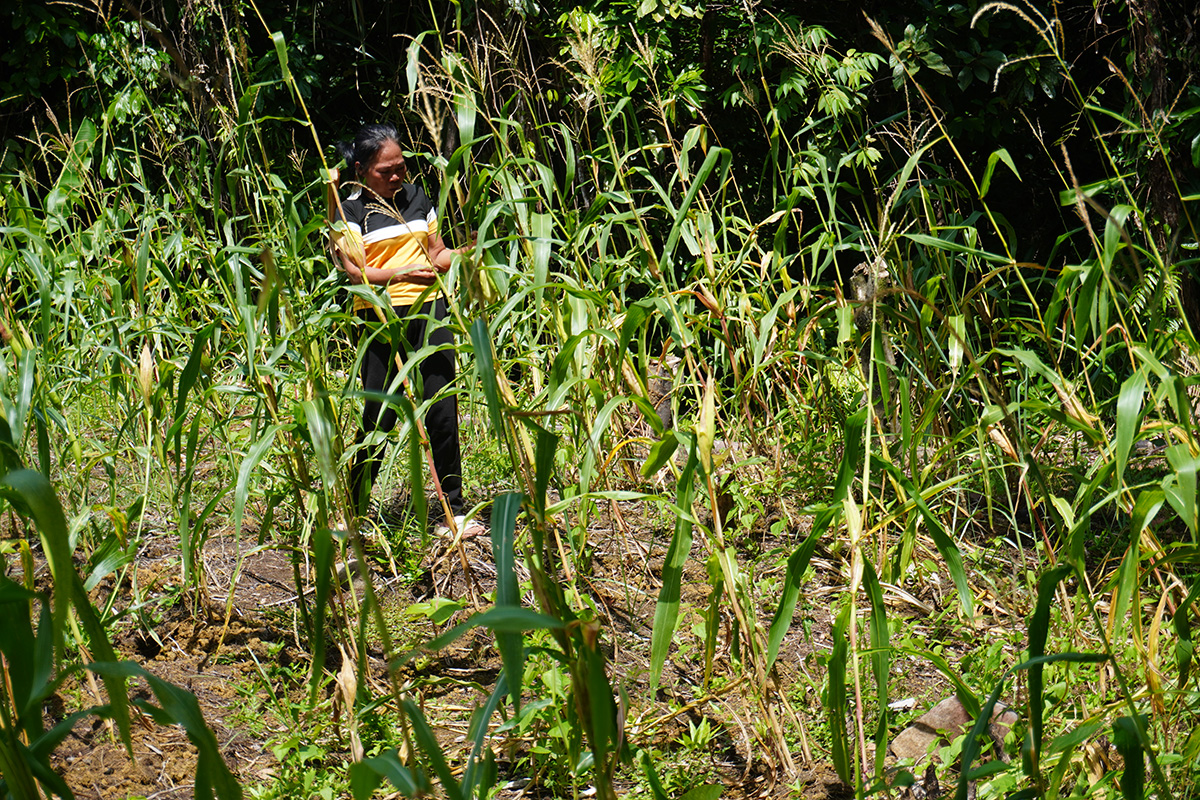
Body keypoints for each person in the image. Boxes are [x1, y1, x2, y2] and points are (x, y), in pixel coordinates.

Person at [328, 122, 482, 538]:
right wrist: (404, 272)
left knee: (443, 409)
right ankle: (353, 513)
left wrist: (470, 252)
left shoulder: (417, 198)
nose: (398, 176)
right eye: (386, 171)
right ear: (361, 170)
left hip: (430, 312)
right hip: (380, 318)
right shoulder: (350, 210)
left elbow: (437, 254)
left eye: (401, 167)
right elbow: (355, 272)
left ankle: (454, 510)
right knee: (378, 416)